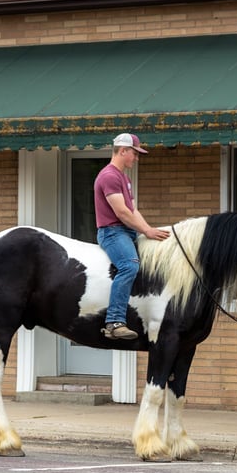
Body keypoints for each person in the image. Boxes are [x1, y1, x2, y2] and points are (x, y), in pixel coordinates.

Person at [94, 133, 170, 340]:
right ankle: (114, 322)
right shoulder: (109, 176)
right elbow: (122, 213)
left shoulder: (124, 179)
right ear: (123, 151)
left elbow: (133, 211)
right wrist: (147, 231)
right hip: (112, 232)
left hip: (127, 232)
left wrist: (148, 229)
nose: (136, 158)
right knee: (130, 266)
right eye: (135, 154)